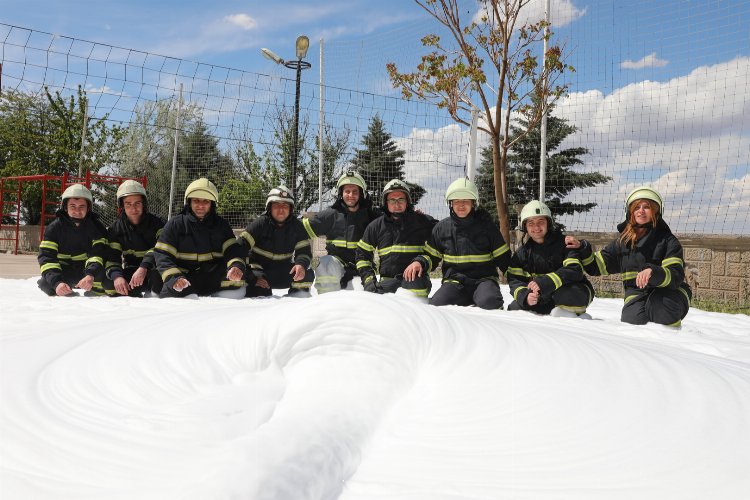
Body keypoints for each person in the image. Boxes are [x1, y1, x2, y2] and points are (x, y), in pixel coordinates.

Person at [576, 186, 691, 327]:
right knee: (632, 322)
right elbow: (596, 266)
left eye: (646, 207)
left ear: (656, 211)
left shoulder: (668, 241)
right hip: (637, 294)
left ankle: (672, 341)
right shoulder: (622, 242)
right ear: (630, 212)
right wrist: (582, 248)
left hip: (669, 292)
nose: (641, 211)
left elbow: (675, 276)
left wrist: (654, 272)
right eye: (637, 207)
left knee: (661, 309)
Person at [410, 177, 511, 309]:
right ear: (450, 203)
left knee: (490, 303)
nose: (461, 205)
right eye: (456, 201)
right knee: (437, 306)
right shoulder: (442, 228)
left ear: (474, 203)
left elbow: (504, 259)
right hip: (455, 282)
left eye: (465, 201)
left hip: (484, 281)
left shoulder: (487, 227)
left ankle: (487, 302)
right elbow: (431, 255)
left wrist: (521, 283)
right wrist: (419, 262)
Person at [154, 178, 246, 298]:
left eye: (205, 201)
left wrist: (235, 266)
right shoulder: (175, 224)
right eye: (196, 201)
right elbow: (162, 255)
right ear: (189, 202)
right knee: (167, 292)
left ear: (212, 204)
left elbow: (232, 251)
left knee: (243, 280)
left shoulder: (222, 225)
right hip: (184, 278)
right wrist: (175, 277)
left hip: (212, 277)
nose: (200, 206)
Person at [506, 200, 594, 318]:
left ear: (548, 223)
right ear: (525, 227)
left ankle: (575, 318)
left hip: (574, 291)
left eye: (540, 221)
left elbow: (574, 270)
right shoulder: (521, 254)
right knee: (515, 308)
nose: (536, 227)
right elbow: (515, 280)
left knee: (566, 295)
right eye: (530, 223)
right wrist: (525, 296)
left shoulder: (566, 243)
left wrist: (545, 282)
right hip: (544, 297)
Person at [356, 179, 437, 300]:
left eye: (401, 199)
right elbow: (362, 255)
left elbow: (443, 236)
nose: (397, 204)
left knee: (414, 297)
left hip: (416, 279)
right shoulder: (376, 226)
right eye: (392, 200)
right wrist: (368, 281)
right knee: (375, 301)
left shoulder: (423, 221)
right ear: (385, 202)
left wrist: (422, 261)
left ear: (407, 202)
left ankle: (418, 318)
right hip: (388, 281)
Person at [302, 170, 381, 294]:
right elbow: (301, 227)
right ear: (341, 193)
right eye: (347, 191)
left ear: (361, 194)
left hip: (364, 267)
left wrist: (415, 217)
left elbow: (394, 223)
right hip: (337, 265)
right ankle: (327, 306)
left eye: (355, 191)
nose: (351, 195)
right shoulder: (331, 215)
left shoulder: (371, 216)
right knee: (325, 263)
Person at [238, 186, 314, 298]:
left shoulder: (297, 227)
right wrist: (251, 277)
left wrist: (300, 265)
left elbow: (304, 251)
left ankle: (296, 304)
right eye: (276, 205)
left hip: (283, 271)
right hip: (259, 272)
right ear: (269, 208)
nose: (281, 209)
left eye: (285, 205)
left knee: (307, 275)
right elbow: (239, 248)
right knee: (260, 294)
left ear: (290, 209)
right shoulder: (259, 224)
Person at [37, 183, 108, 297]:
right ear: (65, 207)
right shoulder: (54, 228)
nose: (77, 211)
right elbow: (47, 258)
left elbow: (98, 254)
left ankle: (93, 290)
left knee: (108, 283)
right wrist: (57, 282)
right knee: (46, 284)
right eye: (73, 206)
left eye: (82, 207)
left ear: (88, 208)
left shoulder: (97, 227)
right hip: (64, 271)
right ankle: (64, 288)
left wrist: (90, 275)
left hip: (88, 272)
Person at [103, 180, 165, 297]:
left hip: (152, 270)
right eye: (128, 204)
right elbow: (112, 258)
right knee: (108, 283)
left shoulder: (158, 224)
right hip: (131, 272)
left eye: (137, 203)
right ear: (122, 205)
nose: (133, 208)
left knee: (159, 279)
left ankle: (152, 296)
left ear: (144, 203)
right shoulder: (115, 229)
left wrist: (144, 267)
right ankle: (131, 291)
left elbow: (160, 249)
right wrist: (117, 277)